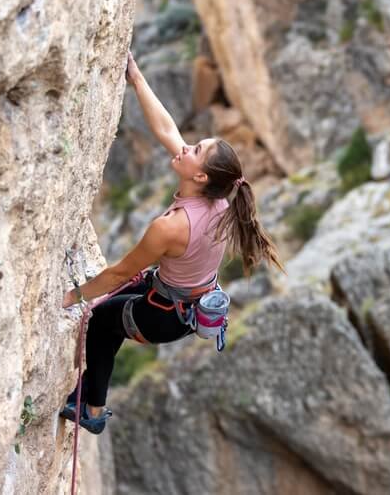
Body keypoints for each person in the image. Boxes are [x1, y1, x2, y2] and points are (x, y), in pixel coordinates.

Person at [59, 52, 283, 434]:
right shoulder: (218, 200)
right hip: (184, 298)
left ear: (199, 177)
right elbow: (167, 130)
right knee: (113, 311)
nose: (186, 147)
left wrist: (70, 297)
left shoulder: (172, 227)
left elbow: (120, 272)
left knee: (101, 321)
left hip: (165, 314)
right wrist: (136, 78)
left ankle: (92, 410)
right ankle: (89, 394)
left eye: (195, 150)